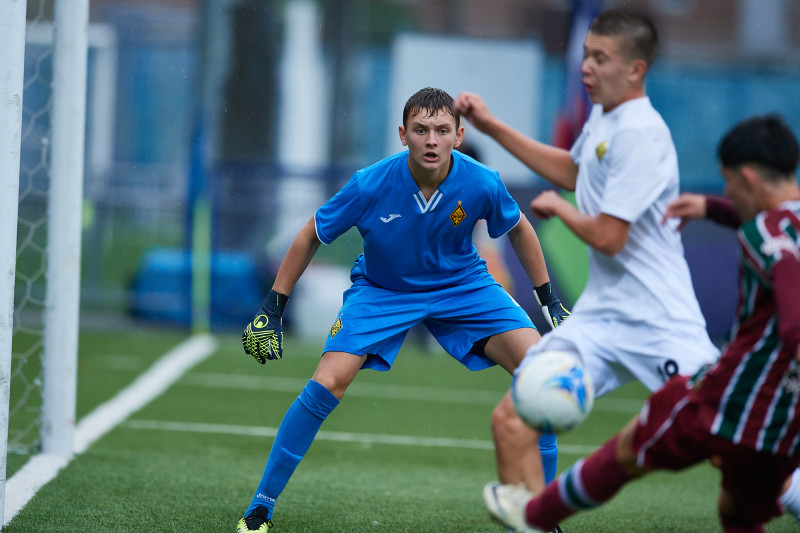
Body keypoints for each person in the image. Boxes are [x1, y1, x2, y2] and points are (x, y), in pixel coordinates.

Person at [236, 87, 570, 532]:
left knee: (541, 376)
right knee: (327, 383)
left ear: (458, 134)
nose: (431, 140)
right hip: (382, 289)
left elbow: (521, 230)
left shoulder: (481, 181)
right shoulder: (369, 183)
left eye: (441, 130)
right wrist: (272, 307)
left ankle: (544, 517)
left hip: (463, 286)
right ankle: (261, 505)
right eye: (421, 130)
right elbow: (308, 235)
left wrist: (549, 299)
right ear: (402, 134)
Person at [482, 114, 800, 533]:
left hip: (733, 391)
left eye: (728, 184)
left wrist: (560, 207)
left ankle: (534, 515)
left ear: (748, 178)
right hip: (780, 414)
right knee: (739, 508)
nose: (727, 192)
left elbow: (791, 307)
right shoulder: (777, 223)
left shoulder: (769, 233)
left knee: (631, 447)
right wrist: (712, 208)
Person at [454, 8, 719, 505]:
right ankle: (538, 521)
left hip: (660, 320)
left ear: (636, 69)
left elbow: (609, 236)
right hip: (600, 316)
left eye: (600, 58)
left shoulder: (641, 132)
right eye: (585, 56)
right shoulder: (606, 115)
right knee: (511, 421)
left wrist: (559, 210)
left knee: (728, 442)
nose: (586, 68)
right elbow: (574, 173)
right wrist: (491, 126)